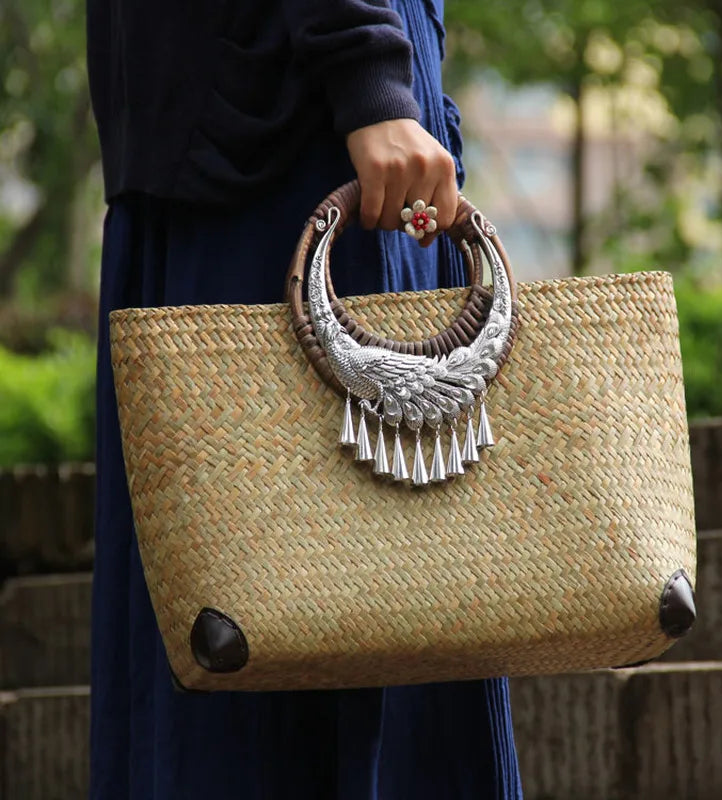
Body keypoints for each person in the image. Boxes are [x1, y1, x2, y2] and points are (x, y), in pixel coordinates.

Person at [87, 1, 523, 797]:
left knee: (225, 643)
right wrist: (373, 78)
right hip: (287, 129)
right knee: (293, 647)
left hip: (237, 112)